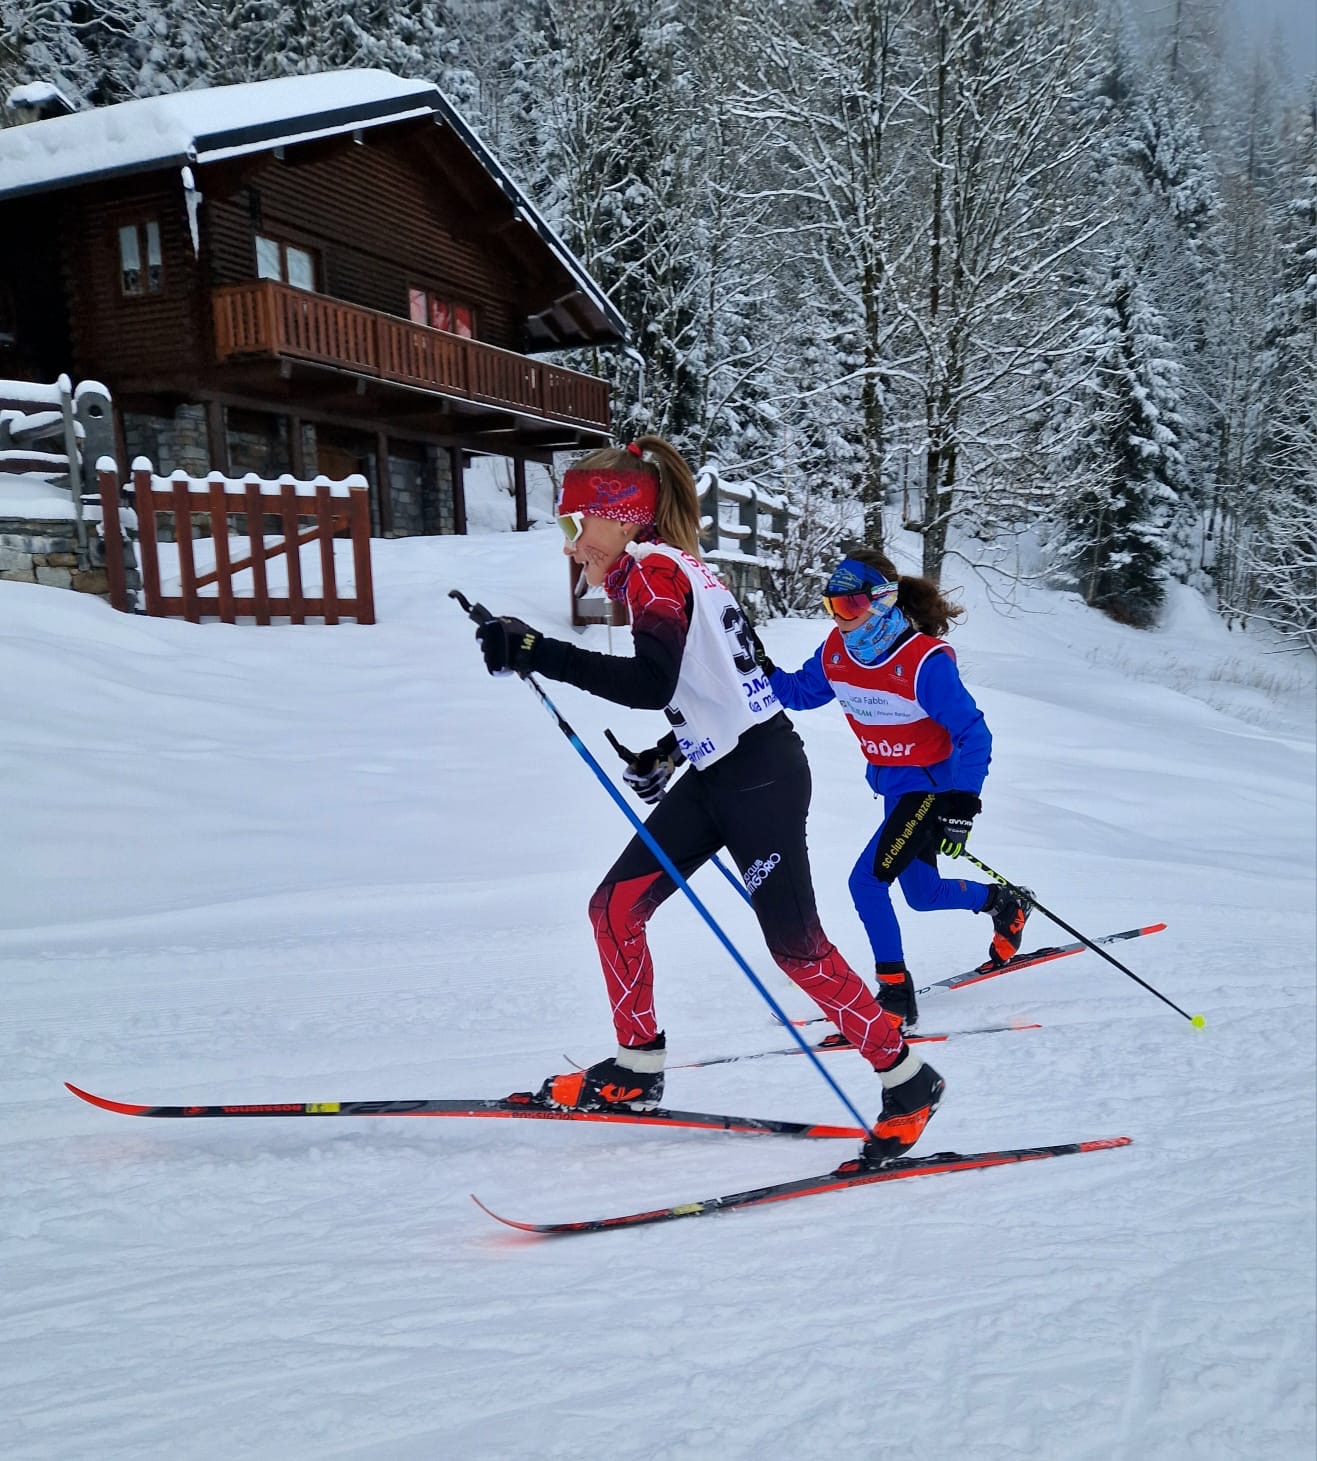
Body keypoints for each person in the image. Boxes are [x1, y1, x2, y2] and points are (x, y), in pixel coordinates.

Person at [473, 438, 943, 1166]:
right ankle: (636, 1067)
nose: (570, 548)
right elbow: (722, 677)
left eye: (575, 527)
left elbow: (651, 683)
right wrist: (671, 752)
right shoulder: (679, 569)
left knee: (798, 949)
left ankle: (906, 1079)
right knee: (614, 908)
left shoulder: (655, 574)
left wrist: (535, 649)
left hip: (759, 777)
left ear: (621, 518)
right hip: (724, 768)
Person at [751, 547, 1030, 1031]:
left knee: (866, 883)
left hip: (932, 790)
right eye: (832, 607)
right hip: (897, 790)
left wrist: (962, 804)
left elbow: (973, 733)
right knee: (921, 894)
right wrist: (756, 664)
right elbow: (799, 693)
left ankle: (895, 991)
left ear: (881, 602)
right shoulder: (836, 652)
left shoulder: (924, 662)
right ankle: (1004, 903)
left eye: (851, 606)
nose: (841, 620)